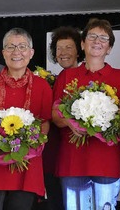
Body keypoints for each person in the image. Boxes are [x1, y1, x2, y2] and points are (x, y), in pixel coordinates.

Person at [53, 18, 120, 210]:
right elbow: (55, 115)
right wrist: (70, 122)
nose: (97, 41)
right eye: (92, 36)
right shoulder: (67, 76)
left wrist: (108, 121)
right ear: (82, 43)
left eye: (103, 38)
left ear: (109, 48)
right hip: (73, 161)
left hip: (106, 161)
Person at [0, 27, 52, 210]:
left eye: (22, 46)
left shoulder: (42, 86)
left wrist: (29, 145)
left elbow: (45, 123)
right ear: (3, 53)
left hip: (26, 166)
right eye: (11, 47)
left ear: (31, 53)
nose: (16, 52)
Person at [42, 25, 85, 210]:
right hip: (52, 151)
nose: (63, 53)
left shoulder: (84, 79)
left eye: (68, 47)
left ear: (79, 50)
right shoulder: (53, 79)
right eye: (59, 48)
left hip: (73, 151)